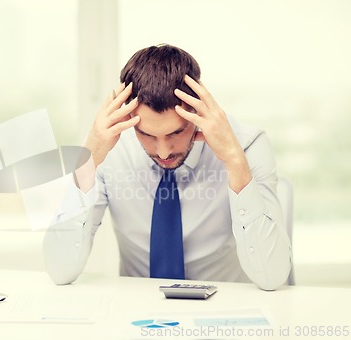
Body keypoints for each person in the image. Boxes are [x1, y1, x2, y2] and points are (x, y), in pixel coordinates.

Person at [43, 44, 292, 291]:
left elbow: (271, 277)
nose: (163, 152)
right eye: (147, 135)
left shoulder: (247, 144)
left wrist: (234, 160)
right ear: (130, 119)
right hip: (137, 314)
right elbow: (60, 271)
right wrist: (90, 160)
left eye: (176, 132)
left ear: (197, 111)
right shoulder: (111, 148)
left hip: (223, 311)